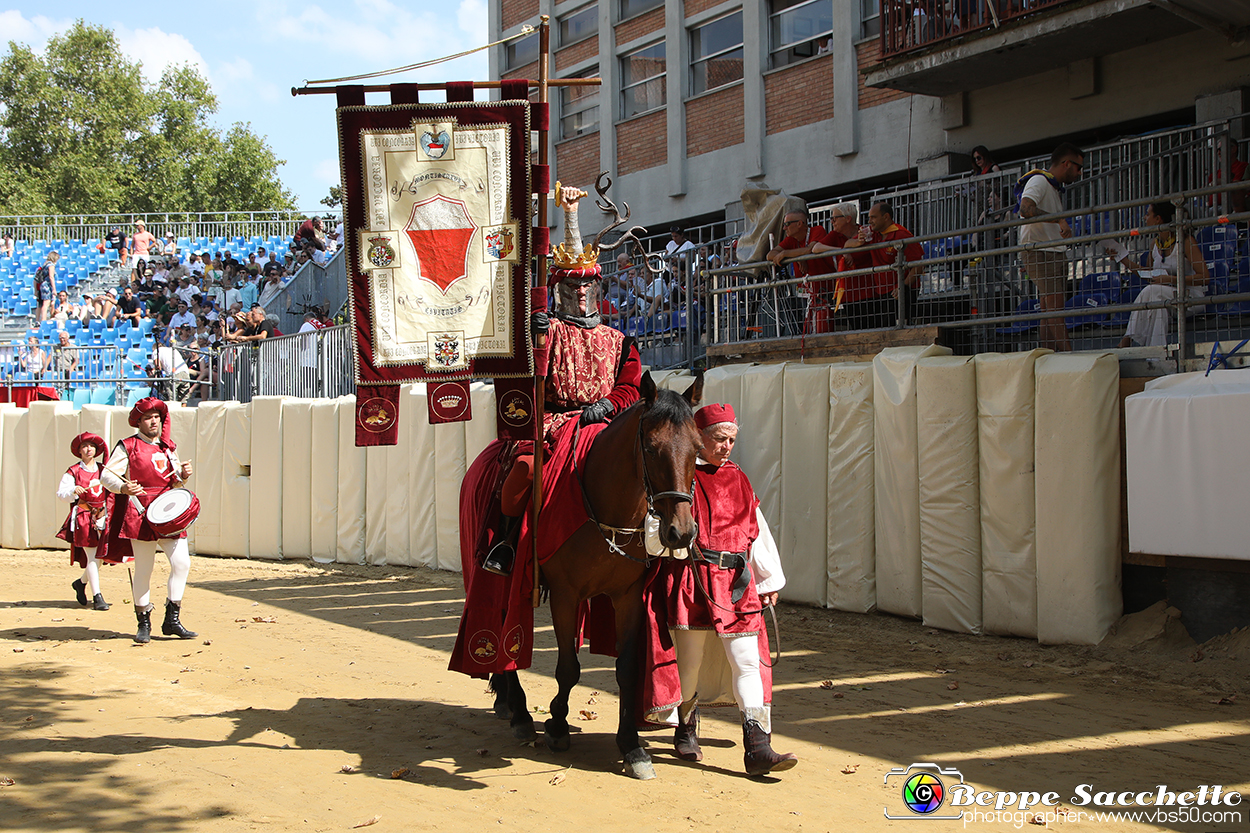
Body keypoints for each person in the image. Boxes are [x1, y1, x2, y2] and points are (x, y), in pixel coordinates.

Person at [480, 184, 643, 576]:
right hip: (554, 422)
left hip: (602, 422)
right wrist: (530, 335)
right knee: (524, 470)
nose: (582, 292)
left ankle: (656, 543)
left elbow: (632, 386)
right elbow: (519, 371)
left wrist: (608, 405)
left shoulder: (620, 341)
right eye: (572, 285)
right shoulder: (545, 330)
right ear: (558, 290)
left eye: (588, 284)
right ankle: (505, 542)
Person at [641, 402, 796, 776]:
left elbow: (754, 529)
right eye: (719, 439)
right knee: (689, 663)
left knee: (746, 661)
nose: (727, 446)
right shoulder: (681, 477)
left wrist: (769, 578)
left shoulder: (739, 478)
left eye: (731, 439)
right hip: (692, 579)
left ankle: (758, 746)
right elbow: (654, 535)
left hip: (737, 584)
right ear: (700, 439)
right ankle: (687, 728)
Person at [100, 398, 197, 644]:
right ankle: (143, 622)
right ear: (139, 422)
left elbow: (174, 481)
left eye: (156, 417)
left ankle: (171, 620)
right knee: (144, 568)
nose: (153, 421)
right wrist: (123, 486)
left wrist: (183, 476)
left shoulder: (168, 447)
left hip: (167, 512)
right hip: (140, 511)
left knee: (182, 563)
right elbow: (106, 477)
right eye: (147, 418)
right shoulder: (128, 446)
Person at [1017, 142, 1084, 352]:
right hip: (1040, 251)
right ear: (1066, 164)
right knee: (1054, 307)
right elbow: (1025, 209)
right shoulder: (1039, 180)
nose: (1080, 173)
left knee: (1048, 307)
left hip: (1051, 251)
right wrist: (1058, 220)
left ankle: (1049, 354)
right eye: (1078, 167)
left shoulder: (1052, 187)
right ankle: (1068, 355)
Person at [1114, 202, 1211, 348]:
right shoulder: (1154, 244)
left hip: (1191, 297)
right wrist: (1122, 258)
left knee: (1152, 291)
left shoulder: (1186, 242)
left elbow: (1205, 277)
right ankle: (1156, 356)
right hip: (1163, 298)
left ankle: (1127, 340)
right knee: (1159, 309)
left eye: (1148, 214)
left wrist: (1171, 279)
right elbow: (1146, 273)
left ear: (1158, 219)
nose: (1144, 218)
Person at [57, 433, 129, 611]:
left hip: (103, 517)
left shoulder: (104, 470)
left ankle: (81, 583)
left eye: (92, 446)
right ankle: (98, 597)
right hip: (84, 516)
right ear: (79, 451)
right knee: (92, 556)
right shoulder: (73, 471)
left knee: (99, 559)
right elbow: (61, 494)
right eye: (84, 446)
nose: (89, 449)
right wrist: (74, 490)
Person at [834, 201, 924, 330]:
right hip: (881, 292)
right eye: (869, 217)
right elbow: (848, 243)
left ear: (886, 217)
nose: (869, 221)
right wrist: (857, 243)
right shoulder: (872, 233)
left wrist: (903, 285)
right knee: (883, 328)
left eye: (873, 217)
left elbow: (919, 264)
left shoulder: (901, 234)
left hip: (901, 290)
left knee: (899, 327)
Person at [770, 208, 845, 334]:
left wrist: (787, 254)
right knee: (807, 329)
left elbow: (811, 249)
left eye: (787, 224)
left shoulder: (817, 230)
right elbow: (770, 255)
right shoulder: (791, 240)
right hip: (805, 294)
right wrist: (797, 256)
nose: (784, 228)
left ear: (800, 224)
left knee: (823, 326)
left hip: (825, 291)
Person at [34, 251, 60, 323]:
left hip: (42, 284)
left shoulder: (44, 265)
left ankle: (41, 320)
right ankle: (43, 321)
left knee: (43, 304)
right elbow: (51, 277)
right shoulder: (51, 265)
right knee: (46, 303)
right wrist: (54, 289)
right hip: (47, 285)